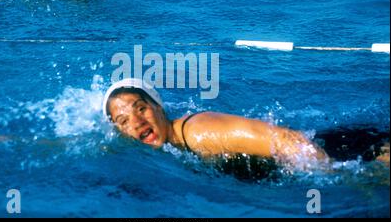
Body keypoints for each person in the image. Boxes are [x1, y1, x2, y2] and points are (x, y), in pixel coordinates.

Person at [103, 78, 333, 173]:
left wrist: (335, 176)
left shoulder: (199, 132)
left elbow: (285, 140)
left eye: (141, 108)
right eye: (124, 121)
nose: (136, 122)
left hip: (342, 154)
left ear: (159, 108)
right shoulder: (173, 147)